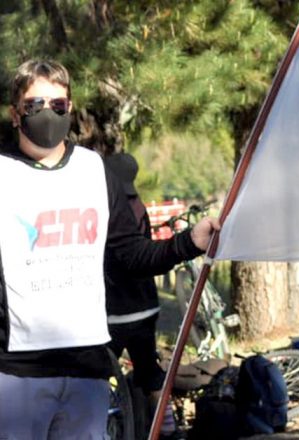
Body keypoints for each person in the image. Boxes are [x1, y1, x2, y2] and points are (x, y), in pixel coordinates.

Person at [0, 59, 219, 439]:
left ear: (69, 108)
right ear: (15, 114)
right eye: (35, 105)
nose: (47, 114)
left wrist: (189, 243)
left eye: (59, 105)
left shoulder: (94, 170)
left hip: (89, 370)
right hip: (17, 374)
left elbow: (130, 255)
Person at [103, 151, 180, 438]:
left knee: (98, 373)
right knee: (149, 370)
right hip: (146, 306)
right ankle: (167, 427)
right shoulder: (138, 207)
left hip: (115, 311)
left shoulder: (108, 210)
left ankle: (100, 428)